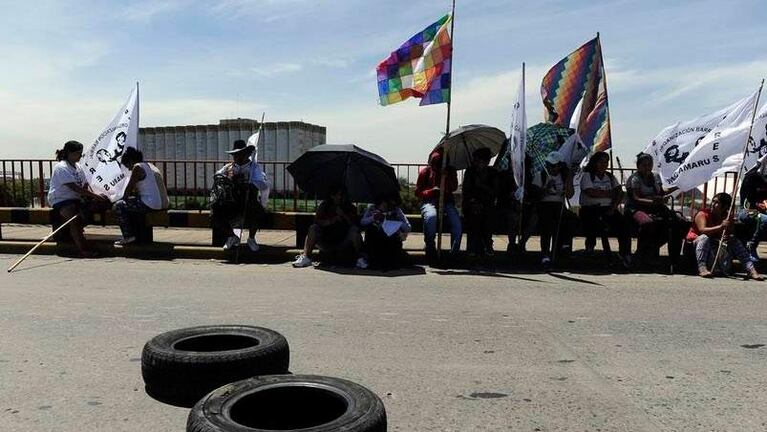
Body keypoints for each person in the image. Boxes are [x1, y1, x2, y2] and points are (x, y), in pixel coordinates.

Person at [47, 140, 110, 257]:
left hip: (76, 199)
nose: (80, 156)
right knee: (74, 220)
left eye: (81, 153)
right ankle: (83, 249)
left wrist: (95, 197)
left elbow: (85, 186)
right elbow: (75, 188)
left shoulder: (79, 167)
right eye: (77, 153)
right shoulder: (61, 167)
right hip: (61, 200)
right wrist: (93, 196)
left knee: (101, 204)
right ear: (68, 153)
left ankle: (72, 234)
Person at [624, 152, 686, 264]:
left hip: (656, 207)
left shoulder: (655, 176)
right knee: (647, 223)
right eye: (644, 165)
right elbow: (636, 198)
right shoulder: (634, 179)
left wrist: (678, 186)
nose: (647, 167)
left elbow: (661, 192)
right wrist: (654, 201)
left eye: (649, 165)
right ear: (638, 166)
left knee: (678, 222)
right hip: (637, 208)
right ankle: (641, 252)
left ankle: (671, 257)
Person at [211, 139, 270, 252]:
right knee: (216, 210)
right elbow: (217, 175)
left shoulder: (254, 168)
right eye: (235, 155)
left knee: (255, 211)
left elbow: (264, 185)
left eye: (239, 154)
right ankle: (231, 236)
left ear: (246, 154)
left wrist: (249, 183)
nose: (236, 157)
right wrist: (227, 177)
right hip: (232, 201)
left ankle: (251, 238)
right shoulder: (229, 167)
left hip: (248, 201)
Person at [686, 192, 763, 279]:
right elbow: (702, 230)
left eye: (717, 202)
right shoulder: (702, 214)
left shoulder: (727, 217)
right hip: (696, 245)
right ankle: (702, 268)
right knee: (704, 238)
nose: (713, 204)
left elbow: (730, 232)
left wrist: (729, 236)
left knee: (735, 241)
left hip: (715, 245)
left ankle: (751, 270)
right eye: (713, 201)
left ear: (725, 206)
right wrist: (720, 227)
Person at [580, 151, 632, 268]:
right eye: (601, 162)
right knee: (596, 225)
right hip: (590, 209)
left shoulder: (610, 176)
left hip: (608, 208)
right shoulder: (588, 176)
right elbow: (591, 192)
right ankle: (590, 248)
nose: (604, 164)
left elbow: (620, 193)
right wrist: (609, 193)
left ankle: (624, 254)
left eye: (606, 162)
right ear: (594, 163)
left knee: (624, 225)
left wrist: (613, 207)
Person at [292, 188, 367, 269]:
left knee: (354, 231)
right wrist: (331, 220)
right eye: (338, 195)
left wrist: (343, 215)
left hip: (343, 241)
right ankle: (306, 257)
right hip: (325, 241)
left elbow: (355, 224)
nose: (341, 198)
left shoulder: (350, 207)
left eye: (342, 195)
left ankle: (361, 259)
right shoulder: (324, 206)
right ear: (332, 196)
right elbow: (317, 222)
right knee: (313, 228)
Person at [113, 147, 169, 245]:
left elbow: (129, 188)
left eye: (127, 166)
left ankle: (128, 236)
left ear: (131, 161)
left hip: (151, 204)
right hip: (164, 203)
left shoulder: (137, 167)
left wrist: (121, 199)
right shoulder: (152, 166)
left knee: (119, 205)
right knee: (132, 203)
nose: (129, 169)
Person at [530, 151, 576, 268]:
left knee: (570, 219)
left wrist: (569, 179)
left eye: (554, 165)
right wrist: (546, 188)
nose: (551, 168)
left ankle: (564, 246)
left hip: (559, 205)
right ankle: (545, 254)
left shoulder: (564, 177)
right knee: (547, 224)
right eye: (549, 165)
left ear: (560, 166)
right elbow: (535, 196)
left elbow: (570, 195)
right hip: (544, 205)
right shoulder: (540, 175)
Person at [415, 149, 462, 258]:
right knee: (431, 217)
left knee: (457, 223)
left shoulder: (451, 172)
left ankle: (454, 253)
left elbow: (453, 187)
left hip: (447, 202)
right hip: (429, 201)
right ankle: (430, 248)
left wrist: (446, 179)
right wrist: (431, 191)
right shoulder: (425, 172)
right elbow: (418, 192)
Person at [360, 194, 411, 269]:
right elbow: (363, 222)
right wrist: (373, 218)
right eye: (382, 205)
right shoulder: (372, 208)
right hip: (376, 240)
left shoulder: (396, 211)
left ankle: (392, 261)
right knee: (371, 229)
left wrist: (395, 222)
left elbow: (408, 227)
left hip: (390, 240)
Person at [462, 148, 497, 257]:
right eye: (475, 161)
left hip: (487, 204)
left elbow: (495, 192)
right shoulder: (470, 171)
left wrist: (481, 185)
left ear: (486, 162)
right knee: (474, 216)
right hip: (472, 204)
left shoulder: (492, 173)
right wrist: (473, 200)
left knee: (487, 216)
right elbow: (466, 191)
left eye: (479, 161)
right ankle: (472, 246)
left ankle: (487, 244)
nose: (476, 163)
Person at [737, 159, 767, 261]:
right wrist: (760, 205)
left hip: (763, 211)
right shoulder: (751, 177)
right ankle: (752, 246)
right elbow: (746, 203)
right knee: (764, 219)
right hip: (747, 210)